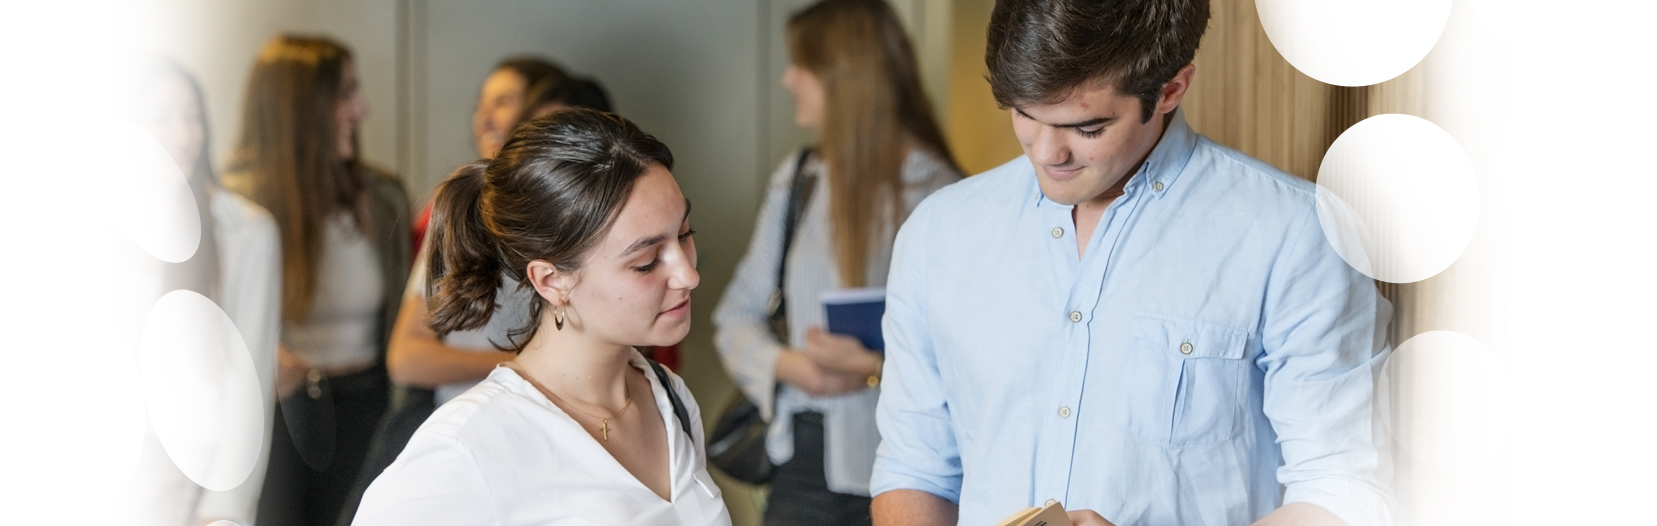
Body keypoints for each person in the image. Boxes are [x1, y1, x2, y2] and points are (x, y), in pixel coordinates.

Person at [869, 1, 1394, 525]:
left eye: (1087, 128)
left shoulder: (1296, 233)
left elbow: (1342, 489)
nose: (1046, 153)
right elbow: (914, 469)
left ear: (1170, 90)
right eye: (1025, 113)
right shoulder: (938, 234)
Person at [350, 109, 730, 526]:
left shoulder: (668, 398)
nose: (688, 275)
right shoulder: (469, 447)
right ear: (551, 281)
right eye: (645, 261)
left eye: (684, 236)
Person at [712, 1, 960, 524]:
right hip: (804, 460)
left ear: (844, 75)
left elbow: (976, 360)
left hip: (920, 463)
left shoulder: (944, 194)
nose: (787, 79)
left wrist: (874, 369)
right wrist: (790, 366)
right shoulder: (800, 179)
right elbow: (735, 315)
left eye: (801, 65)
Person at [221, 34, 412, 526]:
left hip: (370, 406)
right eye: (346, 93)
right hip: (282, 413)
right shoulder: (235, 209)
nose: (362, 109)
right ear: (301, 107)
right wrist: (254, 356)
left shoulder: (382, 197)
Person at [124, 60, 283, 526]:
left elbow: (248, 382)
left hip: (189, 478)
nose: (183, 133)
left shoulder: (246, 232)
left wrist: (226, 512)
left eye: (193, 117)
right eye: (162, 117)